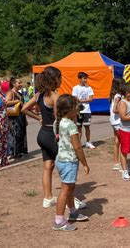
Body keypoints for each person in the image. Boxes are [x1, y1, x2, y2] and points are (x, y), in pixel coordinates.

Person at [22, 66, 86, 210]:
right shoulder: (56, 97)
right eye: (60, 77)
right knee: (67, 166)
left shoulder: (38, 95)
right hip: (53, 136)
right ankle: (72, 201)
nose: (61, 80)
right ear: (54, 79)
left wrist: (39, 118)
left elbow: (24, 108)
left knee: (48, 166)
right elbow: (61, 119)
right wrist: (73, 128)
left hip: (42, 134)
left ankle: (48, 197)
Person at [53, 94, 90, 231]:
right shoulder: (71, 126)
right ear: (69, 109)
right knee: (65, 191)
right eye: (76, 107)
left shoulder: (58, 122)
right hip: (69, 161)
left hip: (61, 159)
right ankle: (59, 221)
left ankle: (73, 212)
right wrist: (85, 163)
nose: (78, 109)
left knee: (70, 188)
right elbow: (77, 147)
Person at [72, 72, 95, 149]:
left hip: (87, 110)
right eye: (84, 78)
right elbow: (75, 98)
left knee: (87, 127)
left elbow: (91, 99)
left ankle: (88, 142)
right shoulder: (75, 88)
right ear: (80, 79)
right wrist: (83, 101)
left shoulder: (89, 88)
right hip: (78, 111)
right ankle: (78, 144)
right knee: (79, 127)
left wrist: (82, 101)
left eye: (86, 78)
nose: (85, 80)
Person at [6, 77, 27, 158]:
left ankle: (19, 152)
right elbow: (6, 102)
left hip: (21, 116)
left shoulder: (19, 93)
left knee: (20, 134)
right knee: (14, 134)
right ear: (14, 84)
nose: (21, 84)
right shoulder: (11, 92)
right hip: (14, 117)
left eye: (21, 82)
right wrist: (17, 101)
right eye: (19, 83)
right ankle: (13, 153)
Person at [110, 78, 124, 171]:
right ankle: (118, 163)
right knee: (120, 141)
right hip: (118, 121)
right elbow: (115, 109)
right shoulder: (118, 96)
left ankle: (116, 162)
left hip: (114, 121)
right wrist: (124, 111)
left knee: (116, 141)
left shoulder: (113, 95)